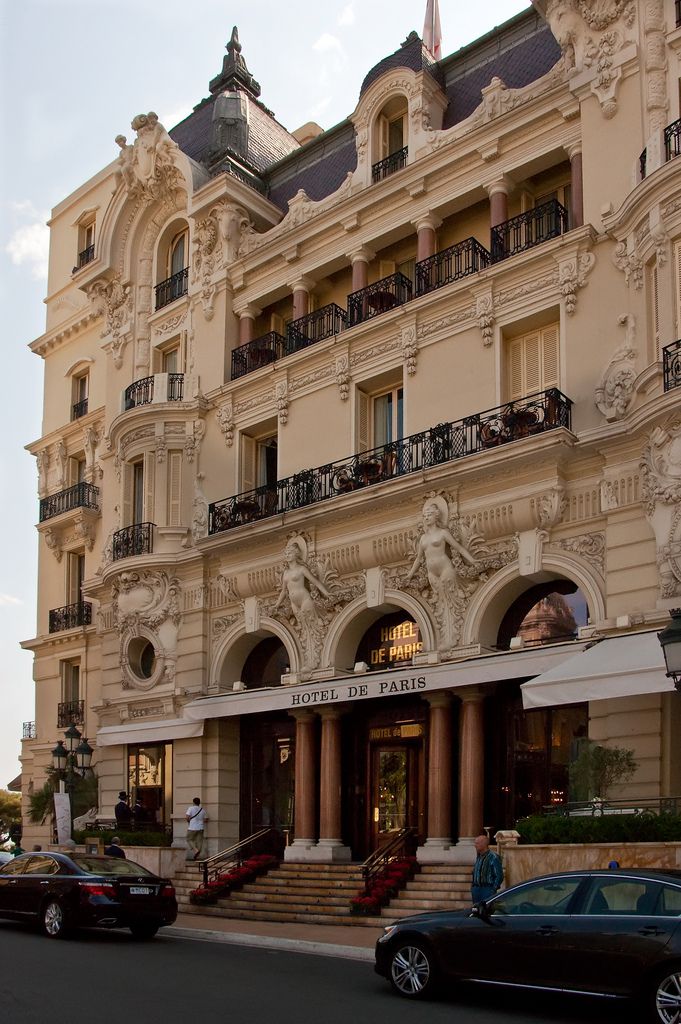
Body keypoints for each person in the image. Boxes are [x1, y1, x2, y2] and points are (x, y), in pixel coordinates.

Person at [471, 833, 504, 904]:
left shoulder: (493, 857)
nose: (475, 845)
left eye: (477, 843)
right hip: (476, 889)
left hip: (487, 889)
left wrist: (493, 888)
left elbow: (499, 875)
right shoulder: (479, 857)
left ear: (483, 844)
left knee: (486, 910)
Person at [185, 797, 209, 861]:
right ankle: (198, 856)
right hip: (201, 828)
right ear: (199, 803)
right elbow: (206, 819)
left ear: (193, 802)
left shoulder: (191, 808)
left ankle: (195, 850)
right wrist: (200, 821)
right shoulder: (202, 810)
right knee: (199, 842)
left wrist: (189, 821)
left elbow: (187, 817)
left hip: (192, 827)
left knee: (189, 839)